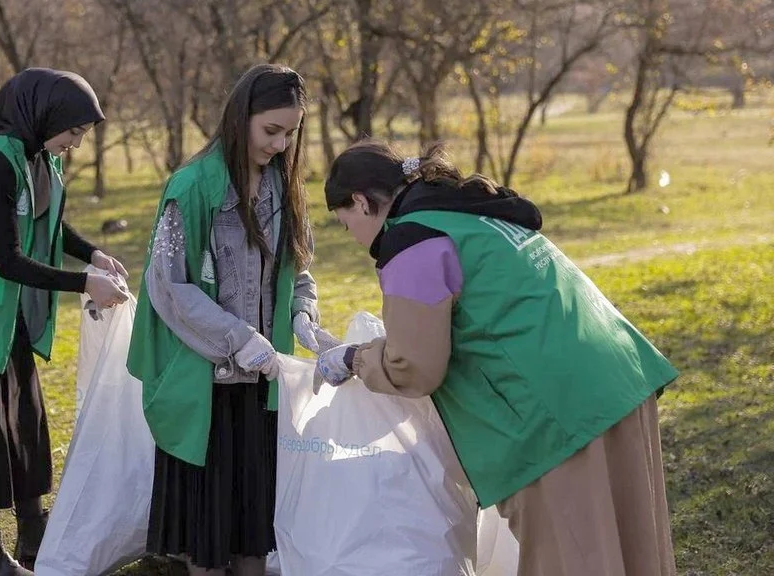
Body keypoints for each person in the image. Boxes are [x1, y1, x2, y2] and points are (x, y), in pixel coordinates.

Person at [313, 139, 679, 576]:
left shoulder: (412, 240)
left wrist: (355, 359)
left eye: (345, 224)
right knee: (634, 553)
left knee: (573, 559)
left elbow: (413, 366)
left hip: (556, 417)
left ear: (360, 201)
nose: (354, 238)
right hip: (618, 379)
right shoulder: (472, 213)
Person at [0, 68, 129, 576]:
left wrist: (92, 253)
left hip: (4, 316)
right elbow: (8, 258)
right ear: (45, 115)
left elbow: (45, 219)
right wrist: (84, 284)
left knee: (26, 423)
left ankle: (35, 534)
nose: (76, 144)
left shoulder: (37, 155)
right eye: (73, 131)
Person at [127, 63, 338, 576]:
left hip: (263, 385)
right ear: (241, 116)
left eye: (290, 133)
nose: (281, 145)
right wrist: (237, 337)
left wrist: (304, 317)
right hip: (207, 384)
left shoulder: (283, 185)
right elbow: (168, 285)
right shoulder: (192, 186)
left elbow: (297, 270)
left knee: (253, 528)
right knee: (208, 536)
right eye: (271, 130)